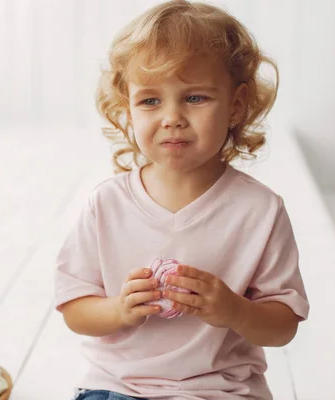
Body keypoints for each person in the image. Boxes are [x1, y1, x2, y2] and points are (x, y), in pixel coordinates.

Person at [54, 1, 309, 399]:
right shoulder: (106, 205)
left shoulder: (260, 210)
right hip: (121, 386)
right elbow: (75, 309)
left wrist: (235, 310)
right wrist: (119, 310)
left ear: (236, 105)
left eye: (195, 98)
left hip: (219, 389)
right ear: (127, 110)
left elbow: (283, 325)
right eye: (150, 101)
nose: (171, 117)